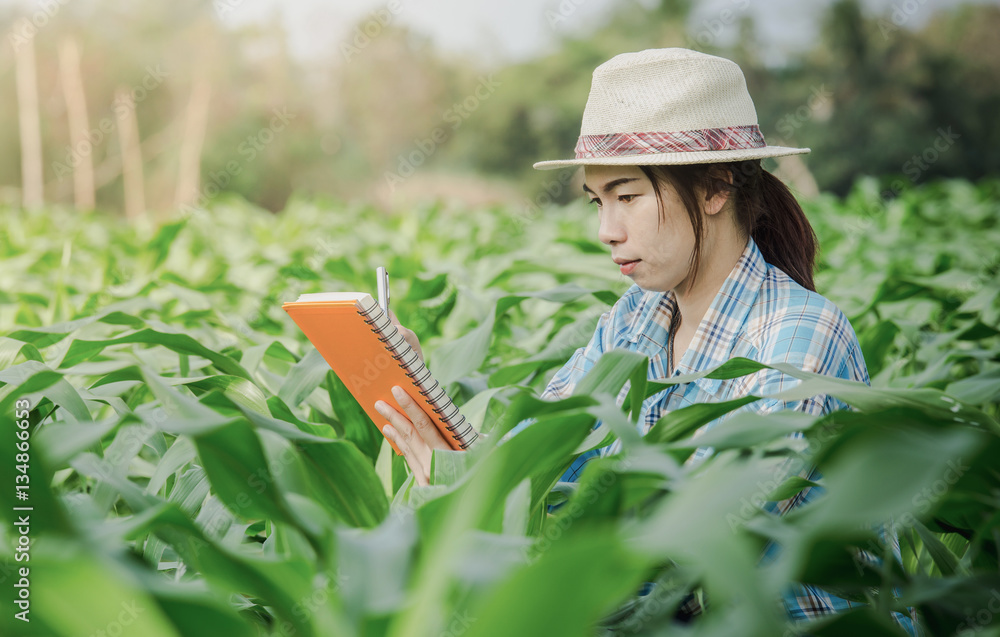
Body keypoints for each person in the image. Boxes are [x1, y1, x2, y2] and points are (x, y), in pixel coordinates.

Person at [372, 48, 917, 632]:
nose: (607, 231)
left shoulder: (800, 335)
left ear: (714, 188)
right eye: (598, 201)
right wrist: (440, 429)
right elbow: (538, 452)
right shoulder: (636, 316)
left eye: (627, 196)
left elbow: (691, 559)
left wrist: (476, 509)